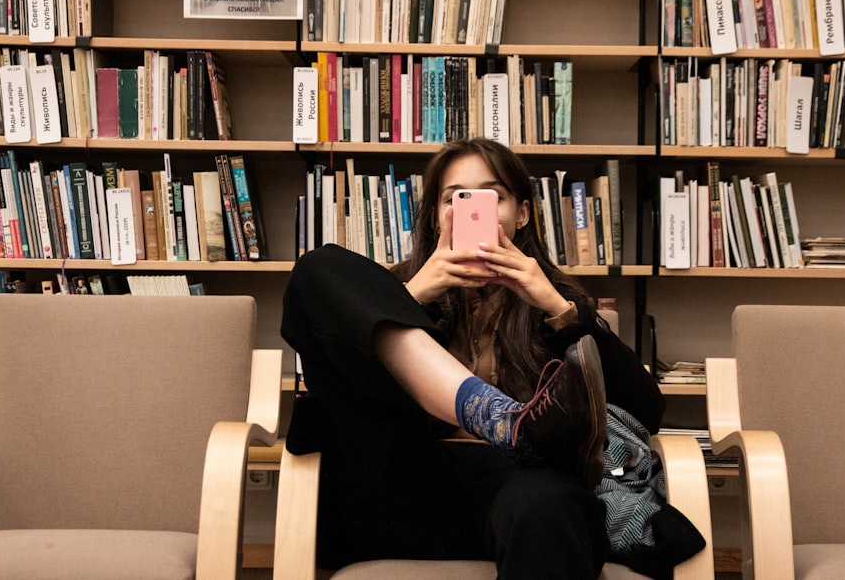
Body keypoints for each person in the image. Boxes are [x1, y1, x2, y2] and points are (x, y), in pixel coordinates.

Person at [281, 139, 676, 579]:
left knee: (549, 502)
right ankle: (503, 419)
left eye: (492, 196)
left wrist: (557, 307)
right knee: (317, 266)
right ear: (435, 215)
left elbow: (646, 413)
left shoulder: (558, 304)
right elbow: (341, 387)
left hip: (512, 485)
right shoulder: (384, 291)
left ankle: (509, 431)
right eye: (454, 198)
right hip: (401, 483)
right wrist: (410, 299)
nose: (470, 211)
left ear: (521, 213)